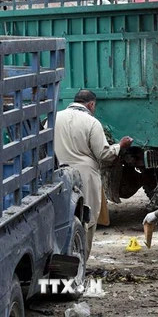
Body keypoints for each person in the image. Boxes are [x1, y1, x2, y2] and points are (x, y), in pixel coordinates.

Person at [54, 89, 133, 259]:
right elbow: (104, 155)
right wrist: (120, 146)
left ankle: (60, 260)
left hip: (57, 176)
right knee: (85, 220)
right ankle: (81, 262)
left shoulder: (53, 118)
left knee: (60, 219)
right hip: (85, 177)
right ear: (91, 104)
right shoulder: (91, 122)